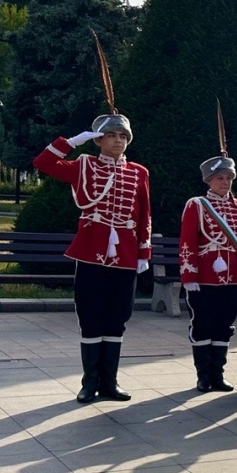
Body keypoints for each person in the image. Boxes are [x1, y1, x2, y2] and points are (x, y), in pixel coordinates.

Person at [32, 42, 150, 403]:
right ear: (99, 140)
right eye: (111, 136)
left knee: (118, 318)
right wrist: (71, 142)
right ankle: (89, 381)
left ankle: (110, 382)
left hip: (127, 252)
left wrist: (143, 250)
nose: (117, 141)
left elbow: (144, 213)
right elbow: (43, 164)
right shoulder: (85, 165)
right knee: (91, 318)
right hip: (92, 249)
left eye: (122, 136)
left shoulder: (139, 171)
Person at [179, 124, 237, 393]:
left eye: (228, 177)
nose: (225, 182)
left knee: (224, 325)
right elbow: (187, 242)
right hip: (204, 276)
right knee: (202, 324)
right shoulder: (196, 205)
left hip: (232, 276)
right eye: (219, 177)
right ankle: (203, 375)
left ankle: (218, 374)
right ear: (208, 180)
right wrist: (189, 276)